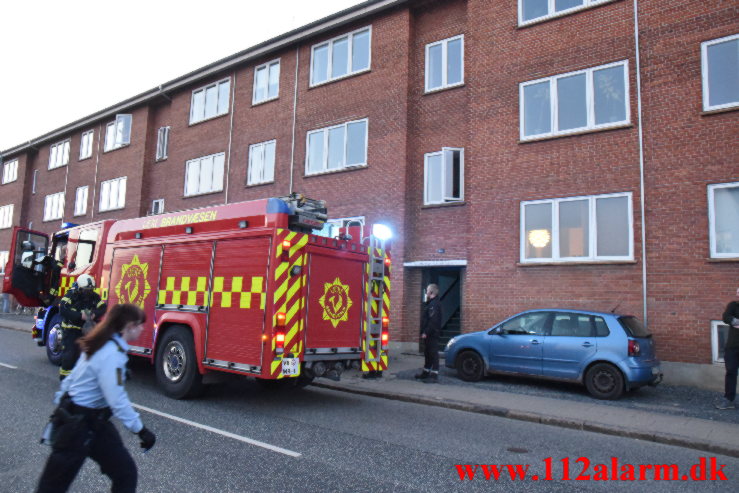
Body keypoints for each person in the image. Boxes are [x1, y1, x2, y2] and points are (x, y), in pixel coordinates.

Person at [36, 303, 156, 493]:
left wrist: (61, 406)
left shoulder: (102, 344)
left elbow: (71, 379)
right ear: (129, 326)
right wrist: (140, 430)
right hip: (79, 427)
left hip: (93, 423)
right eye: (140, 324)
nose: (143, 328)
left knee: (125, 473)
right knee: (52, 487)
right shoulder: (111, 354)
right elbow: (116, 398)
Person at [59, 274, 107, 380]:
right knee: (70, 354)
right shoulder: (71, 295)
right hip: (70, 329)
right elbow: (63, 309)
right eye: (86, 290)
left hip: (85, 331)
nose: (89, 293)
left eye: (91, 290)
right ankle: (65, 380)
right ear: (80, 288)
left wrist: (95, 314)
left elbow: (103, 307)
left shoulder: (94, 296)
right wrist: (80, 316)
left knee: (83, 357)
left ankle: (78, 379)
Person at [716, 287, 739, 410]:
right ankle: (728, 399)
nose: (738, 294)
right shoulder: (733, 305)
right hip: (732, 347)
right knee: (730, 372)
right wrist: (735, 321)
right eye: (738, 292)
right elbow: (726, 317)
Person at [415, 283, 442, 383]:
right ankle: (426, 372)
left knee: (433, 353)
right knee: (428, 353)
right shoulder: (431, 303)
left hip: (432, 334)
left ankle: (434, 374)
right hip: (430, 333)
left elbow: (433, 320)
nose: (426, 292)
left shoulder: (433, 304)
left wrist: (426, 332)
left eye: (427, 291)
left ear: (431, 292)